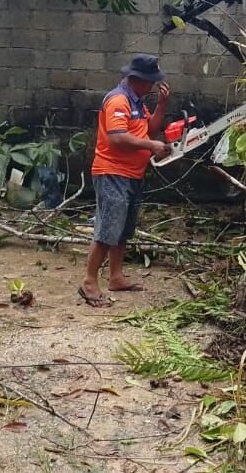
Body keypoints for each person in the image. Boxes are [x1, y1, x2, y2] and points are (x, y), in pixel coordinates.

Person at [79, 54, 172, 307]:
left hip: (131, 174)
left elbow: (149, 130)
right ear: (137, 79)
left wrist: (161, 105)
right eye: (150, 81)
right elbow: (117, 137)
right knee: (108, 228)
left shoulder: (137, 102)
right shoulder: (118, 100)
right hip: (112, 172)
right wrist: (151, 146)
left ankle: (116, 276)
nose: (153, 85)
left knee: (122, 229)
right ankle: (89, 281)